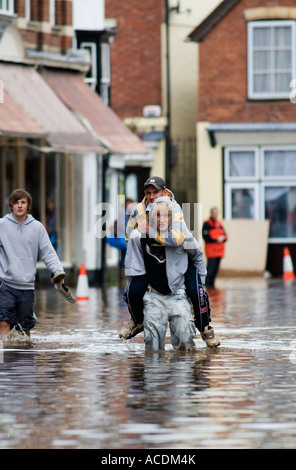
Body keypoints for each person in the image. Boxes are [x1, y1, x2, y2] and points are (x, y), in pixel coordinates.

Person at [119, 176, 220, 348]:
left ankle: (204, 328)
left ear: (164, 192)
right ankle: (137, 322)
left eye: (156, 192)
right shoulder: (138, 210)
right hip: (153, 265)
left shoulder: (175, 209)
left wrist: (151, 232)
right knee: (131, 292)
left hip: (182, 262)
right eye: (148, 193)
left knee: (198, 293)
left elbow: (179, 240)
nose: (152, 197)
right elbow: (130, 238)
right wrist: (142, 243)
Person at [0, 189, 75, 341]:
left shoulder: (37, 227)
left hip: (27, 286)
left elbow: (48, 253)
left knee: (24, 329)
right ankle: (3, 361)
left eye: (23, 202)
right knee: (3, 322)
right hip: (5, 284)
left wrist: (58, 273)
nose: (19, 206)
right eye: (16, 203)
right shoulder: (2, 225)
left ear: (28, 206)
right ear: (11, 205)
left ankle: (25, 362)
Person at [138, 198, 199, 350]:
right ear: (152, 217)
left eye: (166, 215)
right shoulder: (141, 236)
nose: (162, 219)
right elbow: (134, 262)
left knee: (185, 346)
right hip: (153, 297)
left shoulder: (182, 236)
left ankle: (205, 328)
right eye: (158, 215)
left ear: (171, 217)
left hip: (178, 295)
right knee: (153, 350)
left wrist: (200, 282)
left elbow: (198, 255)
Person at [202, 207, 227, 289]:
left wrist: (223, 238)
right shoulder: (207, 224)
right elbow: (205, 237)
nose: (215, 215)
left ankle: (212, 288)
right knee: (210, 272)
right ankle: (207, 288)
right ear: (211, 213)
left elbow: (226, 236)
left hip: (219, 253)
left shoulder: (219, 224)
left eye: (217, 213)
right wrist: (216, 239)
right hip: (211, 252)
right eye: (214, 213)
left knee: (215, 272)